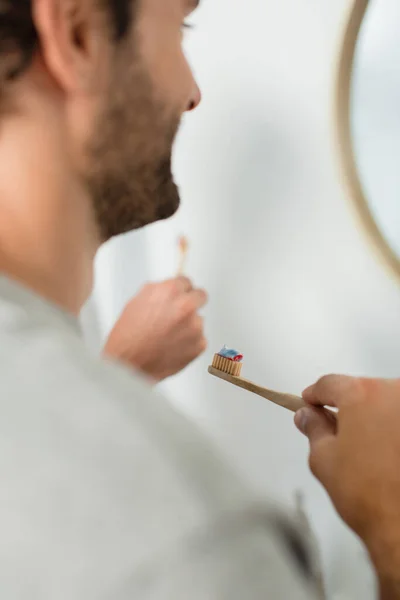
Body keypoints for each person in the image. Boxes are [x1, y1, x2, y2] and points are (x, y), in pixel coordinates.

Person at [0, 1, 397, 599]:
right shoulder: (197, 537)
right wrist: (393, 538)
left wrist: (117, 375)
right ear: (77, 36)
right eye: (179, 26)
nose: (193, 91)